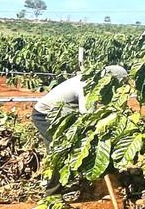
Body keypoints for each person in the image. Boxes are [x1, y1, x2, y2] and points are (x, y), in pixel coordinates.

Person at [31, 65, 128, 195]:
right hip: (45, 115)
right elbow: (87, 117)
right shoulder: (87, 86)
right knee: (59, 153)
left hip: (65, 115)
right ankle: (52, 194)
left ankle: (90, 182)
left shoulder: (97, 83)